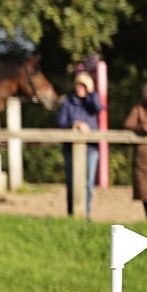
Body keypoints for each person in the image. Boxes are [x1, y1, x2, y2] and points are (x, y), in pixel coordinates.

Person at [57, 70, 105, 219]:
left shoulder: (91, 102)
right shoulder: (67, 102)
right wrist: (75, 124)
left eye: (83, 85)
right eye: (78, 85)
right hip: (71, 148)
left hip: (91, 148)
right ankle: (73, 213)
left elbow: (99, 108)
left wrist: (91, 93)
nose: (80, 88)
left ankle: (86, 212)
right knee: (72, 182)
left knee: (89, 183)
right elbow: (60, 122)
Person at [123, 79, 147, 220]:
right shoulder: (138, 109)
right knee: (146, 193)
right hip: (143, 160)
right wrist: (142, 128)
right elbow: (128, 124)